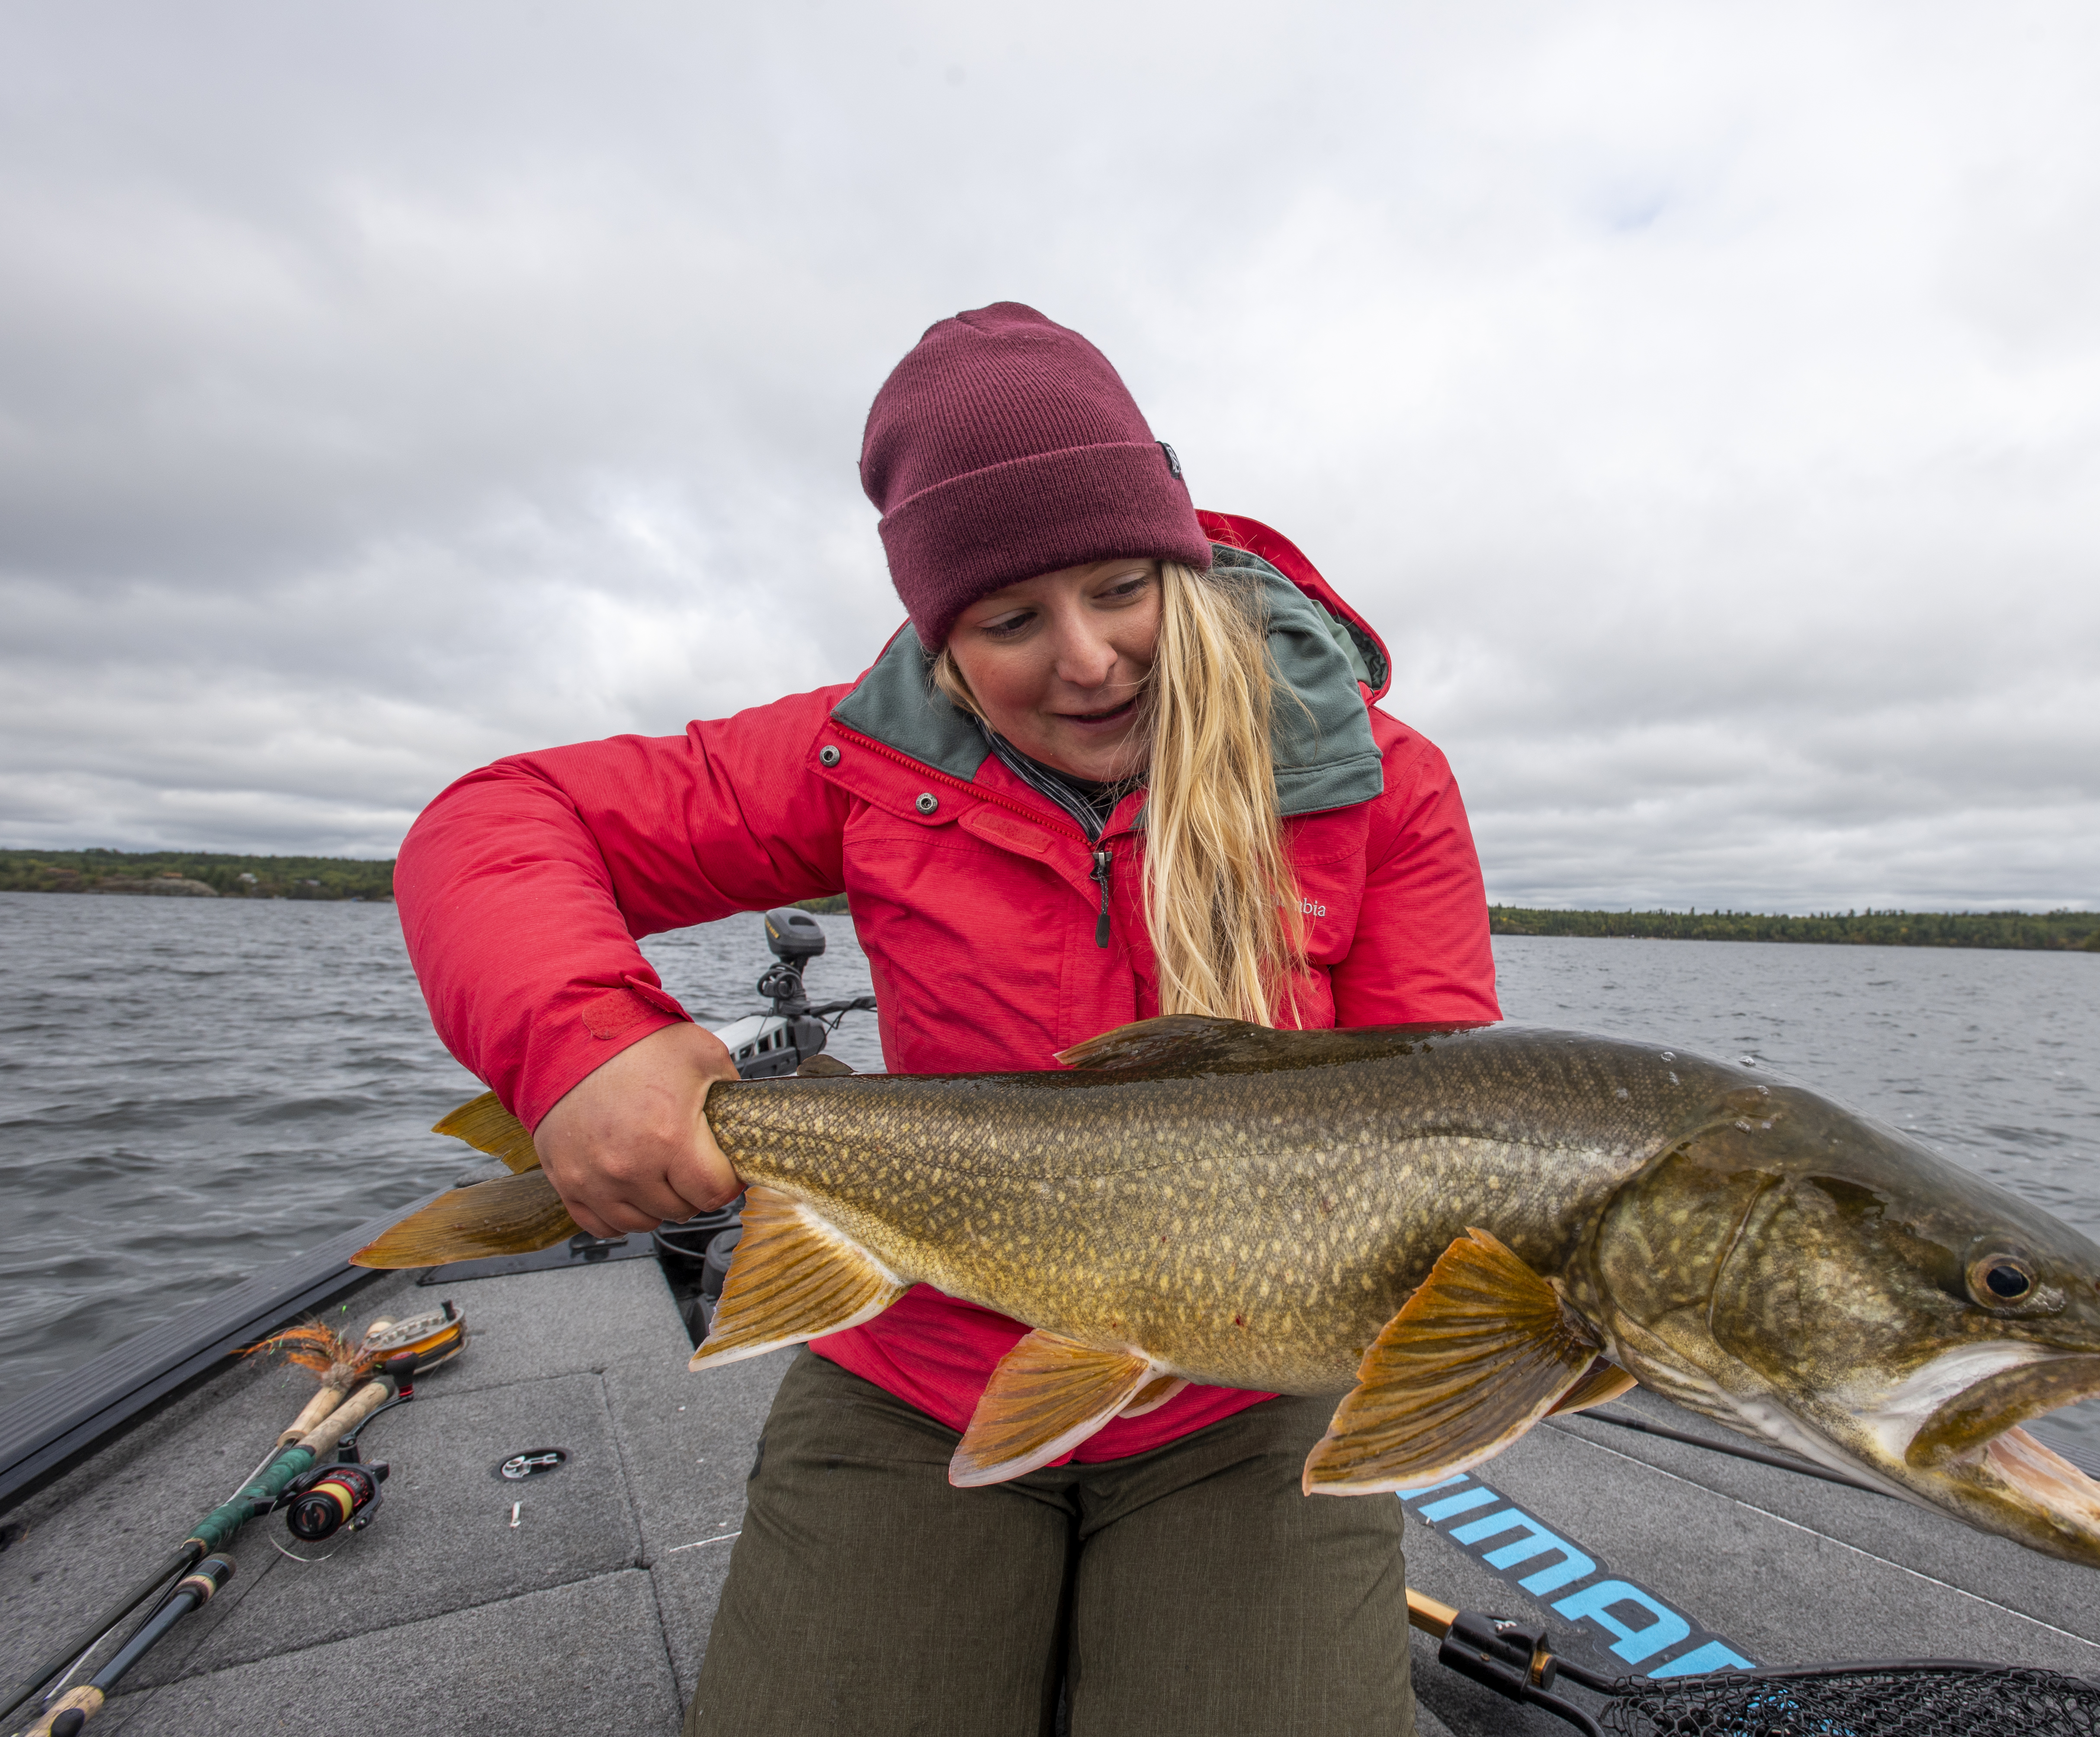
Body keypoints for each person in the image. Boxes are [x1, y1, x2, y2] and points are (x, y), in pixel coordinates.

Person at [395, 302, 1500, 1735]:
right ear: (939, 637)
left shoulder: (1377, 781)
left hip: (1244, 1407)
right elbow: (499, 818)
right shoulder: (863, 753)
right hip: (911, 1369)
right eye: (1010, 619)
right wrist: (586, 1042)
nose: (1090, 658)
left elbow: (1444, 1118)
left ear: (1176, 556)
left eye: (1120, 587)